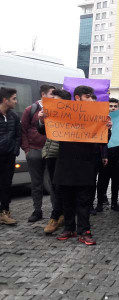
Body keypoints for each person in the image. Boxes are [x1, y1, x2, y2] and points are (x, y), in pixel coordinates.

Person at [44, 86, 111, 245]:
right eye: (88, 96)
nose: (91, 98)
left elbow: (104, 139)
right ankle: (69, 228)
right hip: (65, 164)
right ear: (78, 98)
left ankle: (84, 231)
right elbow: (43, 131)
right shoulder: (64, 111)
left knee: (84, 201)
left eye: (91, 96)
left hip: (85, 165)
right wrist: (43, 119)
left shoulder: (96, 114)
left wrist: (108, 128)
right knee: (66, 200)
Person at [37, 89, 72, 233]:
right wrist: (41, 120)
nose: (52, 103)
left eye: (55, 100)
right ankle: (62, 214)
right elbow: (42, 131)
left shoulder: (71, 116)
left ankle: (55, 217)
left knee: (60, 188)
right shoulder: (49, 113)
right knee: (55, 187)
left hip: (63, 156)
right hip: (50, 154)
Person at [21, 84, 55, 222]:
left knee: (53, 182)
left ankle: (56, 212)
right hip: (34, 151)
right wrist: (27, 150)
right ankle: (37, 210)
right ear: (43, 94)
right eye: (52, 93)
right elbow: (22, 129)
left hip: (51, 151)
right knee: (36, 183)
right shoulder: (31, 109)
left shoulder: (56, 109)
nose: (54, 96)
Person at [96, 98, 119, 212]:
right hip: (104, 156)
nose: (113, 108)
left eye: (115, 106)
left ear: (118, 108)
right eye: (110, 106)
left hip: (118, 156)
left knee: (116, 181)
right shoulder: (101, 120)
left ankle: (115, 203)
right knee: (102, 181)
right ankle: (100, 203)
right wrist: (103, 155)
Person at [0, 87, 20, 225]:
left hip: (9, 156)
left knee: (6, 184)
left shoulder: (14, 116)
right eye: (13, 98)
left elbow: (18, 135)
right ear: (5, 100)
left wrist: (15, 150)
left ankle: (4, 212)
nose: (16, 101)